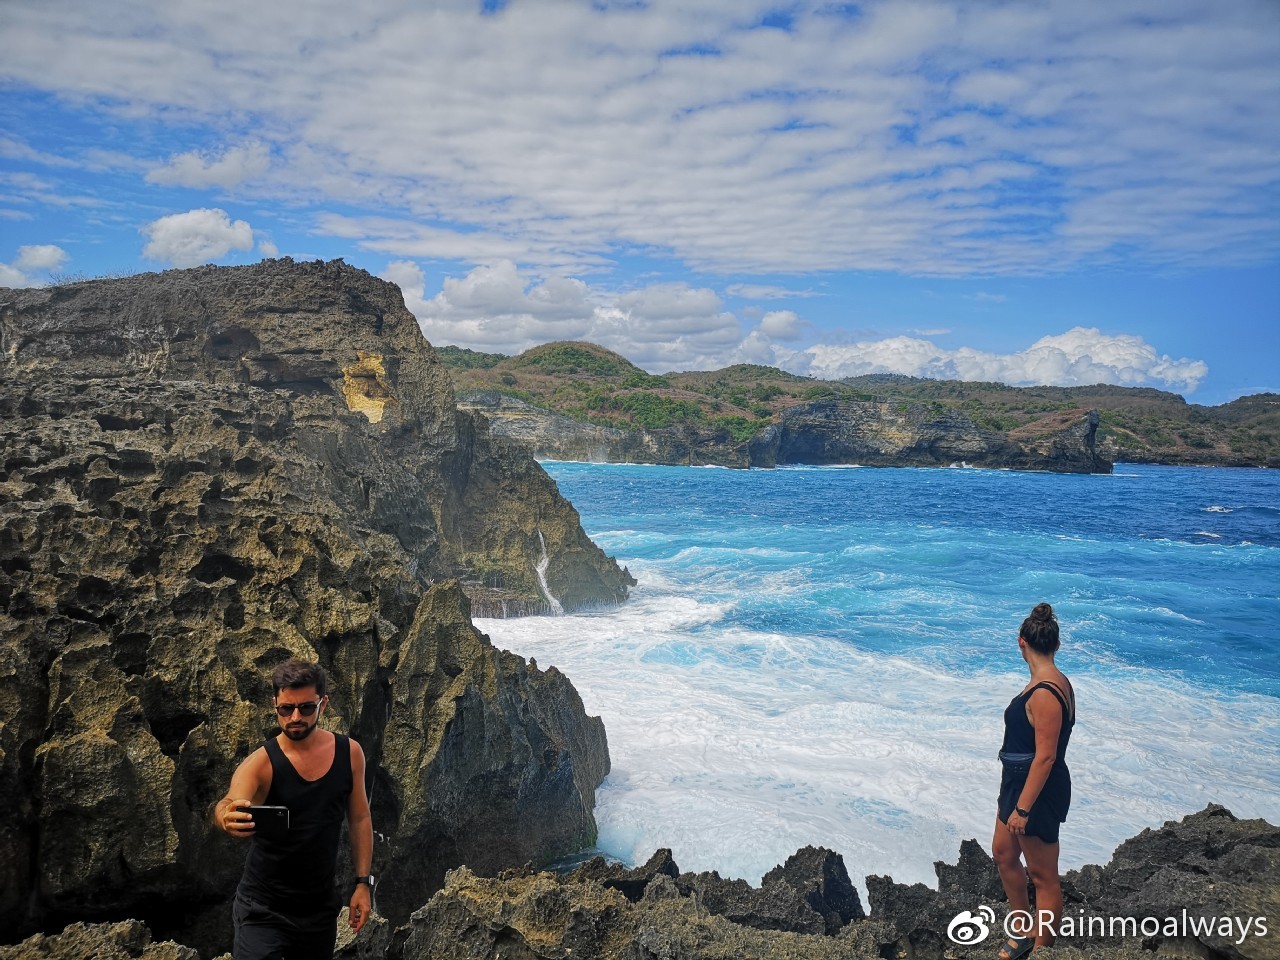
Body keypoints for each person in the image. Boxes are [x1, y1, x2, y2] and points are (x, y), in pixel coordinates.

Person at [213, 659, 374, 960]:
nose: (295, 717)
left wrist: (363, 884)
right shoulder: (261, 763)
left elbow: (360, 818)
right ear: (275, 704)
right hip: (262, 909)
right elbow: (227, 803)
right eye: (286, 709)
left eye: (306, 708)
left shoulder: (350, 754)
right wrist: (225, 818)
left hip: (318, 910)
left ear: (323, 704)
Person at [991, 603, 1075, 959]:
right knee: (1003, 854)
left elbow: (1046, 757)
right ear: (1055, 645)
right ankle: (1023, 929)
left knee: (1043, 877)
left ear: (1020, 642)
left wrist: (1023, 810)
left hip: (1036, 793)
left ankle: (1043, 951)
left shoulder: (1045, 693)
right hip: (1016, 785)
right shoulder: (1043, 683)